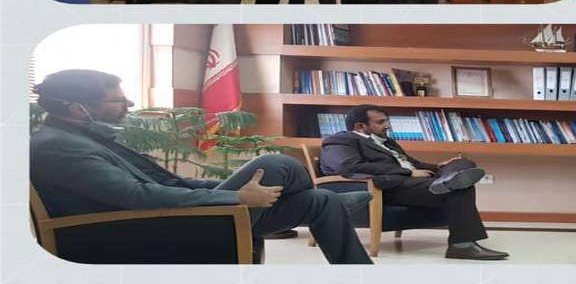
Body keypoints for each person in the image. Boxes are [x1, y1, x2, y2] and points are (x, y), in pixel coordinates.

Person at [31, 69, 372, 264]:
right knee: (276, 163)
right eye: (119, 100)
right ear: (76, 108)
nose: (129, 104)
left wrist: (232, 192)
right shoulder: (58, 147)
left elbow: (169, 184)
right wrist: (235, 198)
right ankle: (324, 199)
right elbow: (137, 197)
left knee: (320, 201)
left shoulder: (83, 137)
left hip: (159, 219)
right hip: (139, 232)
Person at [320, 105, 508, 260]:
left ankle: (447, 179)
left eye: (387, 121)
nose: (387, 126)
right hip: (390, 186)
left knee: (463, 164)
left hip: (411, 181)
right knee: (460, 187)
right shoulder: (341, 140)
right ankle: (462, 245)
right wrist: (408, 172)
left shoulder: (387, 142)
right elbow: (347, 165)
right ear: (360, 126)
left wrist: (438, 166)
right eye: (380, 122)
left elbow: (412, 163)